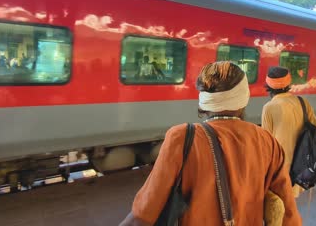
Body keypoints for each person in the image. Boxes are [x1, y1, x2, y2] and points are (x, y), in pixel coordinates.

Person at [120, 61, 301, 226]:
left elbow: (143, 214)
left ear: (204, 102)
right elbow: (288, 213)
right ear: (244, 99)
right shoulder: (267, 142)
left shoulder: (181, 138)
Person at [261, 66, 316, 198]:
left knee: (280, 209)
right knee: (290, 204)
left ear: (268, 86)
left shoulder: (269, 107)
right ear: (288, 84)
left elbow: (266, 143)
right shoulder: (302, 102)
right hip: (300, 167)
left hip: (280, 170)